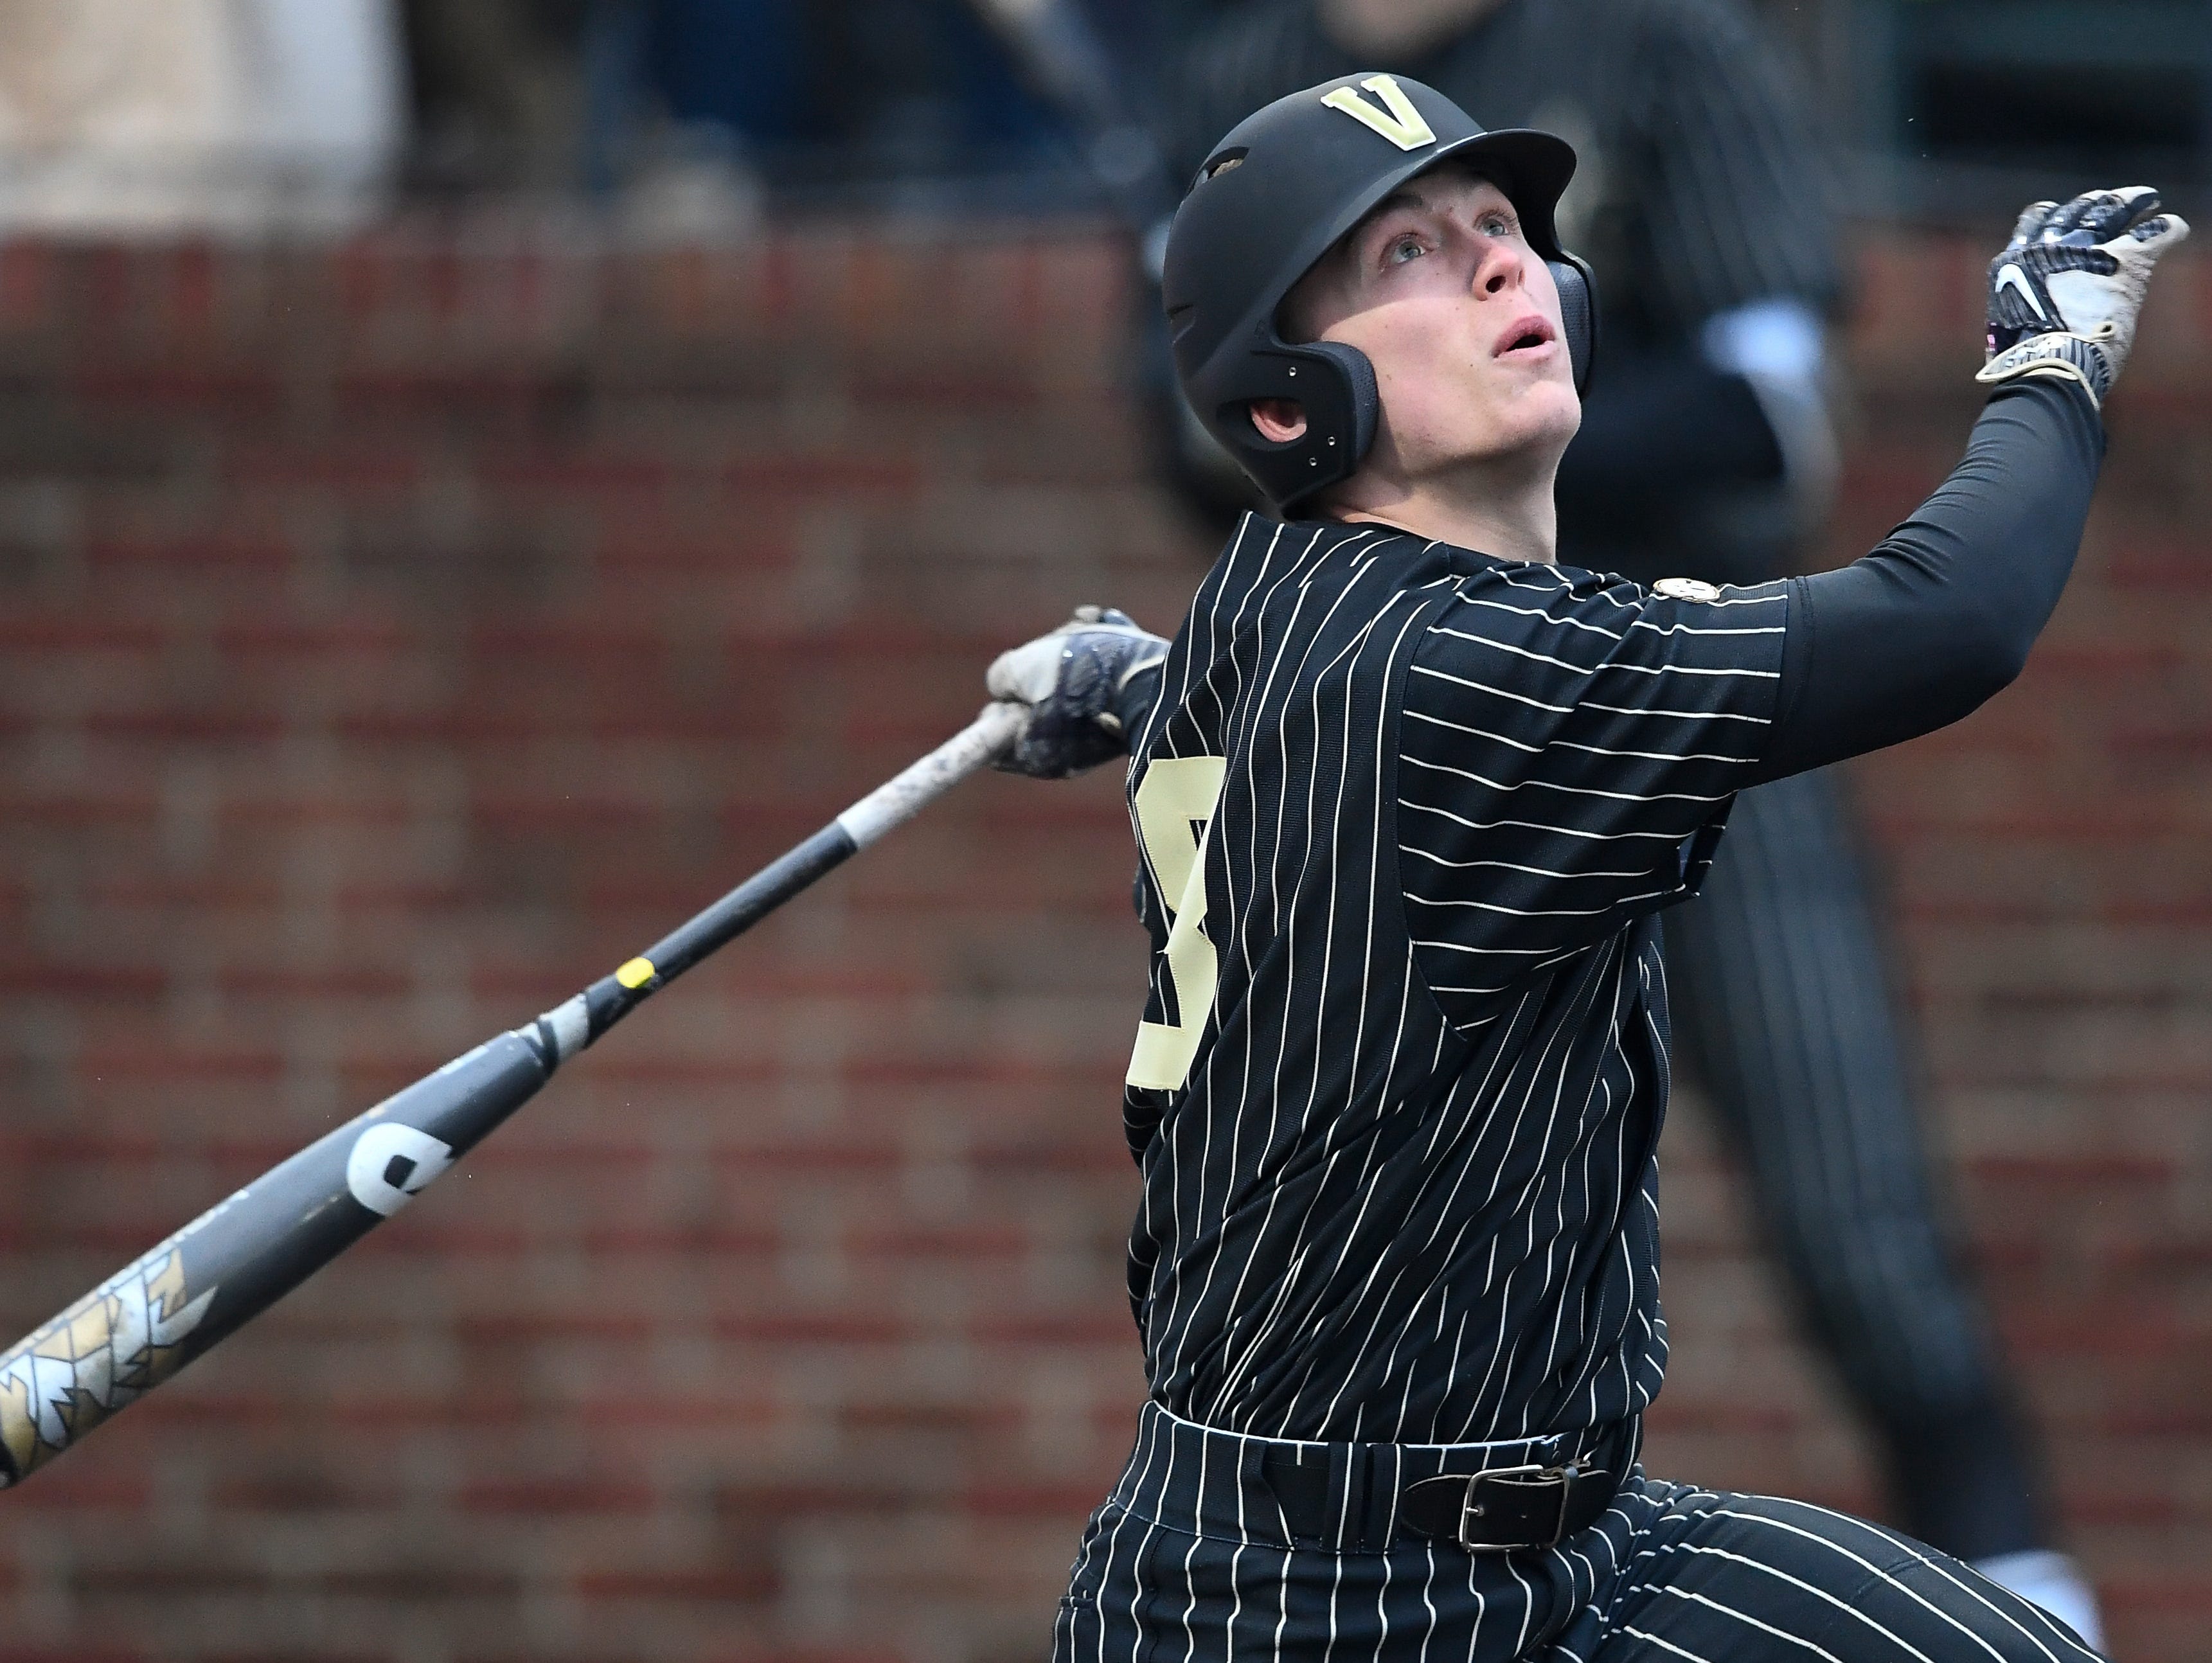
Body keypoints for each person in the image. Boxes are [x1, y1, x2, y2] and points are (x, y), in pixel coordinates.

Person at [981, 71, 2181, 1660]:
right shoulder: (1457, 669)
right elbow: (1945, 623)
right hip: (1319, 1606)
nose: (1496, 264)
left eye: (1497, 227)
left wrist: (1138, 683)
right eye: (1400, 254)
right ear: (1287, 402)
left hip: (1567, 1539)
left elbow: (1323, 706)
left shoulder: (1266, 616)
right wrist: (2048, 363)